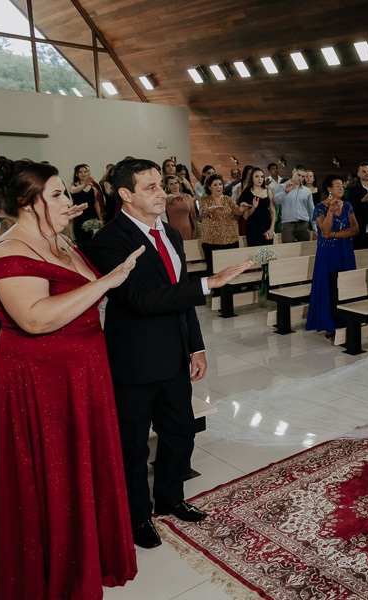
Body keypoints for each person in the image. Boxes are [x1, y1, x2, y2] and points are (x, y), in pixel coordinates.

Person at [0, 157, 139, 598]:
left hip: (81, 372)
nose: (68, 201)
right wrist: (108, 281)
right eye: (56, 195)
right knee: (50, 481)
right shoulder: (8, 250)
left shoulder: (58, 239)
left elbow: (75, 281)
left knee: (81, 472)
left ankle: (86, 559)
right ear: (26, 204)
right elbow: (33, 318)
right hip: (40, 380)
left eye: (64, 194)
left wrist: (58, 230)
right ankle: (56, 574)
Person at [85, 158, 253, 550]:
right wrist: (208, 283)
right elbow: (142, 298)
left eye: (162, 185)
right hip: (135, 360)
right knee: (133, 446)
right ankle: (138, 515)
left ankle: (170, 497)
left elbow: (180, 298)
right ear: (126, 195)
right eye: (151, 187)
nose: (163, 193)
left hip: (176, 354)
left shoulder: (172, 234)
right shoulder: (109, 241)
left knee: (180, 432)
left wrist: (195, 344)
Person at [305, 175, 358, 336]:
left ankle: (348, 319)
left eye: (342, 185)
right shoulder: (320, 207)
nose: (341, 188)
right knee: (329, 285)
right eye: (337, 186)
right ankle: (330, 323)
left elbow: (355, 230)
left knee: (346, 284)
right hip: (327, 253)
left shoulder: (348, 206)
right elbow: (325, 231)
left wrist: (334, 235)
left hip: (345, 251)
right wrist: (331, 212)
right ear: (329, 189)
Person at [198, 173, 248, 274]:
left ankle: (230, 289)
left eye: (220, 184)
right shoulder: (204, 199)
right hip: (211, 241)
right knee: (214, 270)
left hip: (230, 240)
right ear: (209, 187)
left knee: (230, 270)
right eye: (215, 185)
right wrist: (211, 209)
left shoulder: (227, 199)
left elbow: (237, 212)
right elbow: (203, 211)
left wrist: (243, 207)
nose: (218, 187)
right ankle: (215, 289)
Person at [275, 165, 316, 242]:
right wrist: (285, 192)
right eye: (299, 175)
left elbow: (311, 210)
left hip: (304, 225)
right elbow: (277, 201)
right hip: (288, 225)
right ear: (293, 172)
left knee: (305, 249)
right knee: (288, 250)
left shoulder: (307, 191)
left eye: (303, 176)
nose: (300, 178)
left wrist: (314, 228)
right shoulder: (281, 187)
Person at [346, 161, 368, 250]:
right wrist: (362, 201)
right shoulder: (352, 190)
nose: (367, 173)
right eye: (364, 171)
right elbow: (350, 209)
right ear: (358, 174)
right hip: (358, 228)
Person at [69, 163, 105, 248]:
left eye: (85, 172)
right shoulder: (72, 186)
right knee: (82, 242)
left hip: (92, 216)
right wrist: (84, 185)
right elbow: (75, 190)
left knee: (94, 241)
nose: (83, 174)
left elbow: (96, 204)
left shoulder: (93, 188)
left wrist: (100, 219)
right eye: (80, 172)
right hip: (79, 217)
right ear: (76, 174)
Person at [240, 167, 275, 246]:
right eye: (257, 176)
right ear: (252, 178)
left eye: (262, 177)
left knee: (268, 254)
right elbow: (245, 215)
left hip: (267, 227)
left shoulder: (268, 191)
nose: (260, 179)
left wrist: (272, 228)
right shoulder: (246, 193)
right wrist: (253, 207)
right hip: (252, 228)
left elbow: (273, 212)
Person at [163, 175, 197, 240]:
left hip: (187, 228)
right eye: (171, 184)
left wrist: (195, 229)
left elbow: (193, 215)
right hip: (172, 229)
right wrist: (172, 197)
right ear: (167, 186)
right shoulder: (165, 198)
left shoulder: (187, 197)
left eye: (176, 183)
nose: (175, 185)